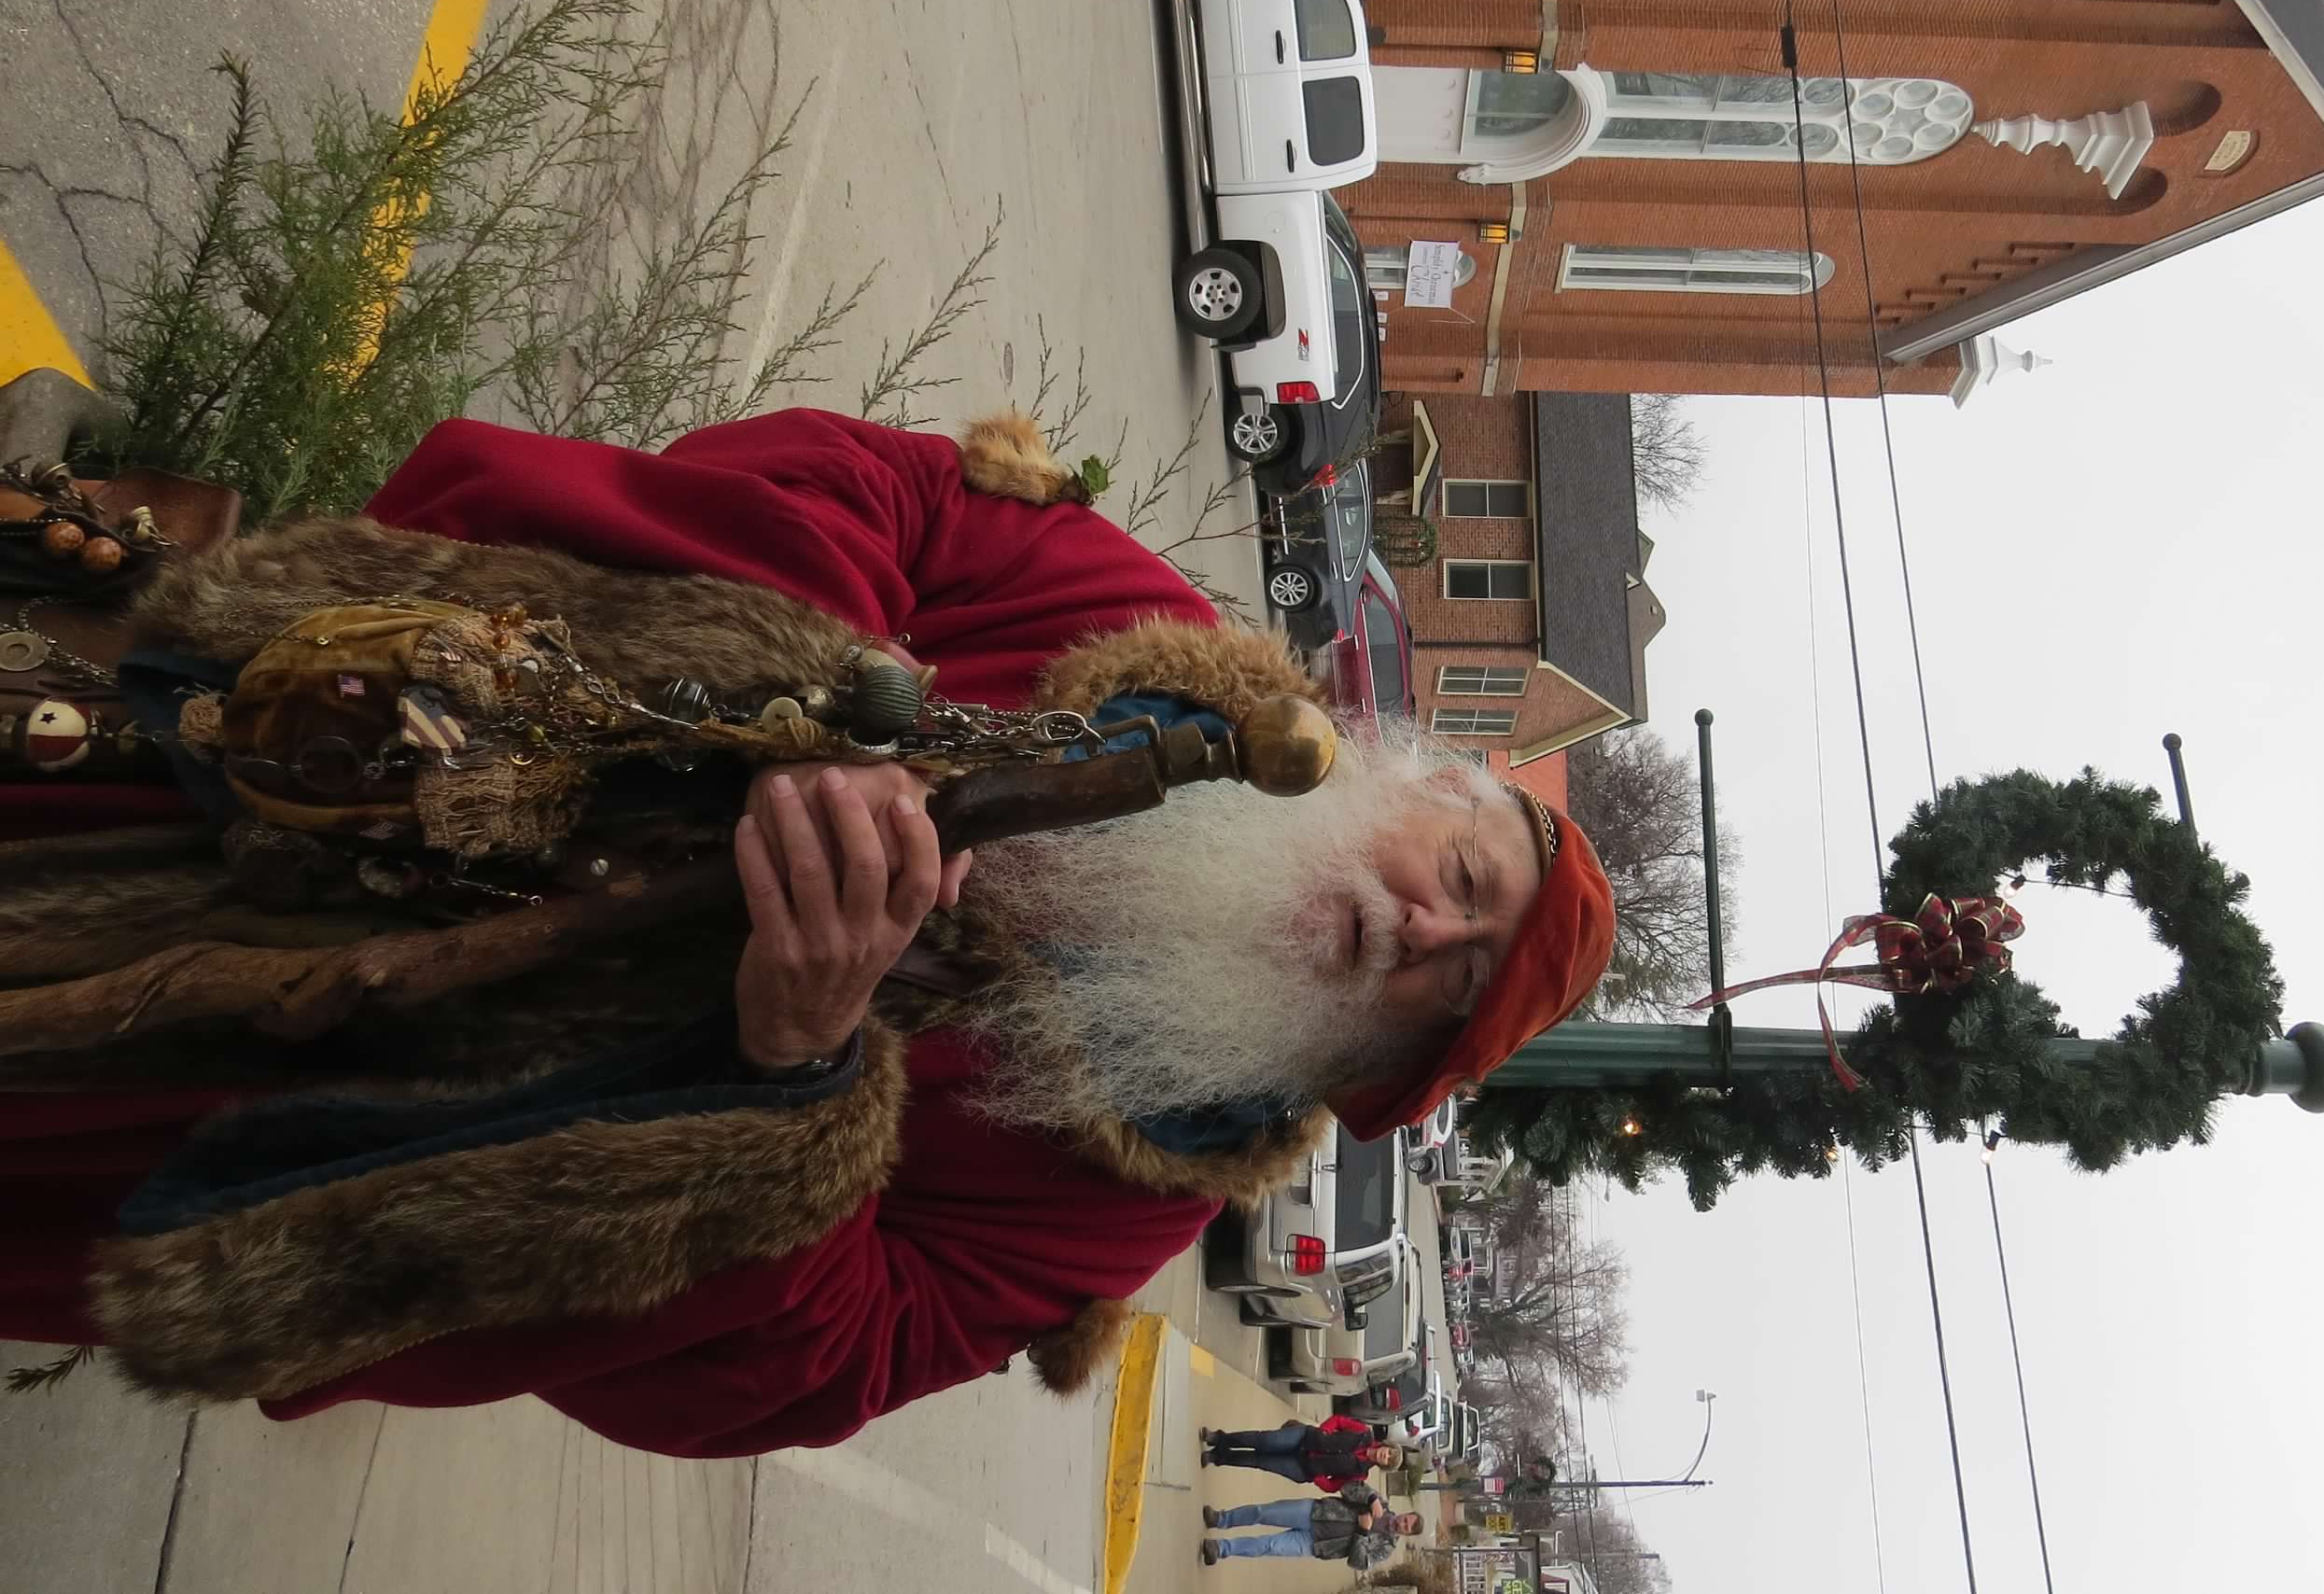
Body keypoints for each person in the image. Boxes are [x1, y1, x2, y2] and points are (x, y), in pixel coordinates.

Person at [0, 408, 1617, 1456]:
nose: (1413, 926)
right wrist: (819, 708)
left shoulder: (1126, 1189)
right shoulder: (1145, 646)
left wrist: (796, 1077)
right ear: (1415, 778)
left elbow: (815, 1367)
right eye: (1461, 880)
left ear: (1386, 1055)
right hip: (288, 759)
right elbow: (883, 490)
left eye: (1446, 981)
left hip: (271, 1104)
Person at [1200, 1489, 1420, 1569]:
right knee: (1263, 1512)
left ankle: (1220, 1549)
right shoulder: (1381, 1503)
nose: (1402, 1524)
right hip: (1314, 1512)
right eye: (1406, 1519)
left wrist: (1363, 1532)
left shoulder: (1386, 1548)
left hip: (1314, 1545)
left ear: (1406, 1534)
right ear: (1405, 1513)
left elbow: (1357, 1562)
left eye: (1407, 1528)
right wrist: (1371, 1498)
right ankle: (1220, 1519)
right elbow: (1349, 1487)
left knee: (1267, 1545)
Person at [1200, 1414, 1398, 1489]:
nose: (1385, 1456)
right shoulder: (1364, 1433)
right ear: (1386, 1446)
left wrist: (1318, 1475)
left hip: (1303, 1469)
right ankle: (1218, 1438)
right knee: (1263, 1440)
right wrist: (1324, 1431)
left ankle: (1218, 1457)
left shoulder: (1360, 1474)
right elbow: (1339, 1420)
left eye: (1388, 1461)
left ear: (1384, 1466)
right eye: (1389, 1452)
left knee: (1260, 1461)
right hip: (1305, 1438)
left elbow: (1333, 1485)